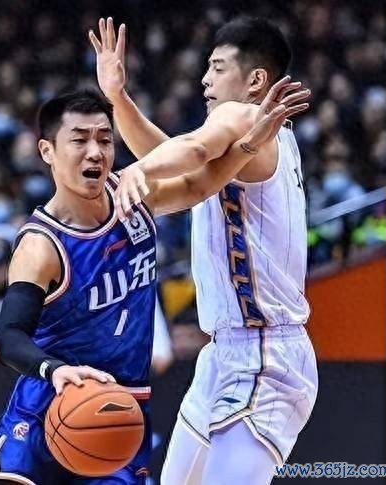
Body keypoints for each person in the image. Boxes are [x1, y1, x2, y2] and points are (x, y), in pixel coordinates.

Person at [0, 80, 304, 484]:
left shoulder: (131, 194)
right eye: (79, 140)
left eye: (104, 139)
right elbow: (8, 337)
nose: (95, 151)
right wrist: (54, 370)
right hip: (49, 404)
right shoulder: (41, 246)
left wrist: (249, 145)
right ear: (47, 151)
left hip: (121, 412)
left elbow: (197, 185)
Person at [90, 16, 318, 485]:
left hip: (265, 355)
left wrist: (139, 172)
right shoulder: (246, 140)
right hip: (223, 356)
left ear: (255, 80)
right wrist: (117, 97)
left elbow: (190, 151)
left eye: (217, 67)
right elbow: (184, 165)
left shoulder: (246, 117)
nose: (204, 79)